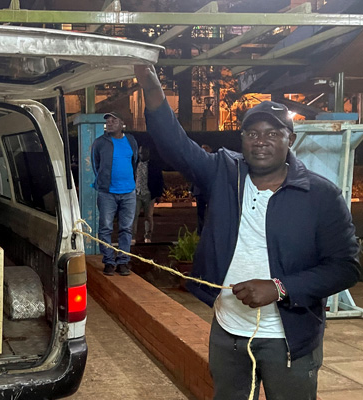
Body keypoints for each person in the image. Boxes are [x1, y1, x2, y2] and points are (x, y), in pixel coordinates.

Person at [134, 64, 360, 400]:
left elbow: (347, 266)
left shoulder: (320, 194)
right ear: (242, 139)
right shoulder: (224, 173)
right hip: (227, 332)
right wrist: (152, 87)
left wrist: (280, 288)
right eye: (252, 133)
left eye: (273, 133)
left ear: (290, 139)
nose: (261, 142)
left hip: (289, 339)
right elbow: (176, 144)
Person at [92, 111, 139, 276]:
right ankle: (109, 262)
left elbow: (135, 162)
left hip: (129, 192)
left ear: (122, 124)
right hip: (107, 193)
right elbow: (95, 164)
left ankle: (123, 262)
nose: (110, 123)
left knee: (126, 228)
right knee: (105, 228)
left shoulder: (131, 141)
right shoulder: (100, 143)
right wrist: (103, 182)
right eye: (108, 121)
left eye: (114, 120)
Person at [132, 145, 164, 243]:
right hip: (137, 193)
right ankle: (133, 237)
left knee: (148, 216)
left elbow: (159, 180)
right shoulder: (135, 164)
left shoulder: (154, 166)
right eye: (140, 153)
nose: (142, 155)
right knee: (134, 215)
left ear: (148, 153)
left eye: (144, 153)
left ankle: (148, 236)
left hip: (149, 194)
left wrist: (158, 194)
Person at [192, 144, 213, 235]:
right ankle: (201, 231)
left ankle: (208, 230)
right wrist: (191, 189)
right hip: (199, 191)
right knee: (200, 213)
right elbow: (194, 177)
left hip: (209, 191)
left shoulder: (213, 162)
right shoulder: (197, 162)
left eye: (205, 150)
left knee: (210, 212)